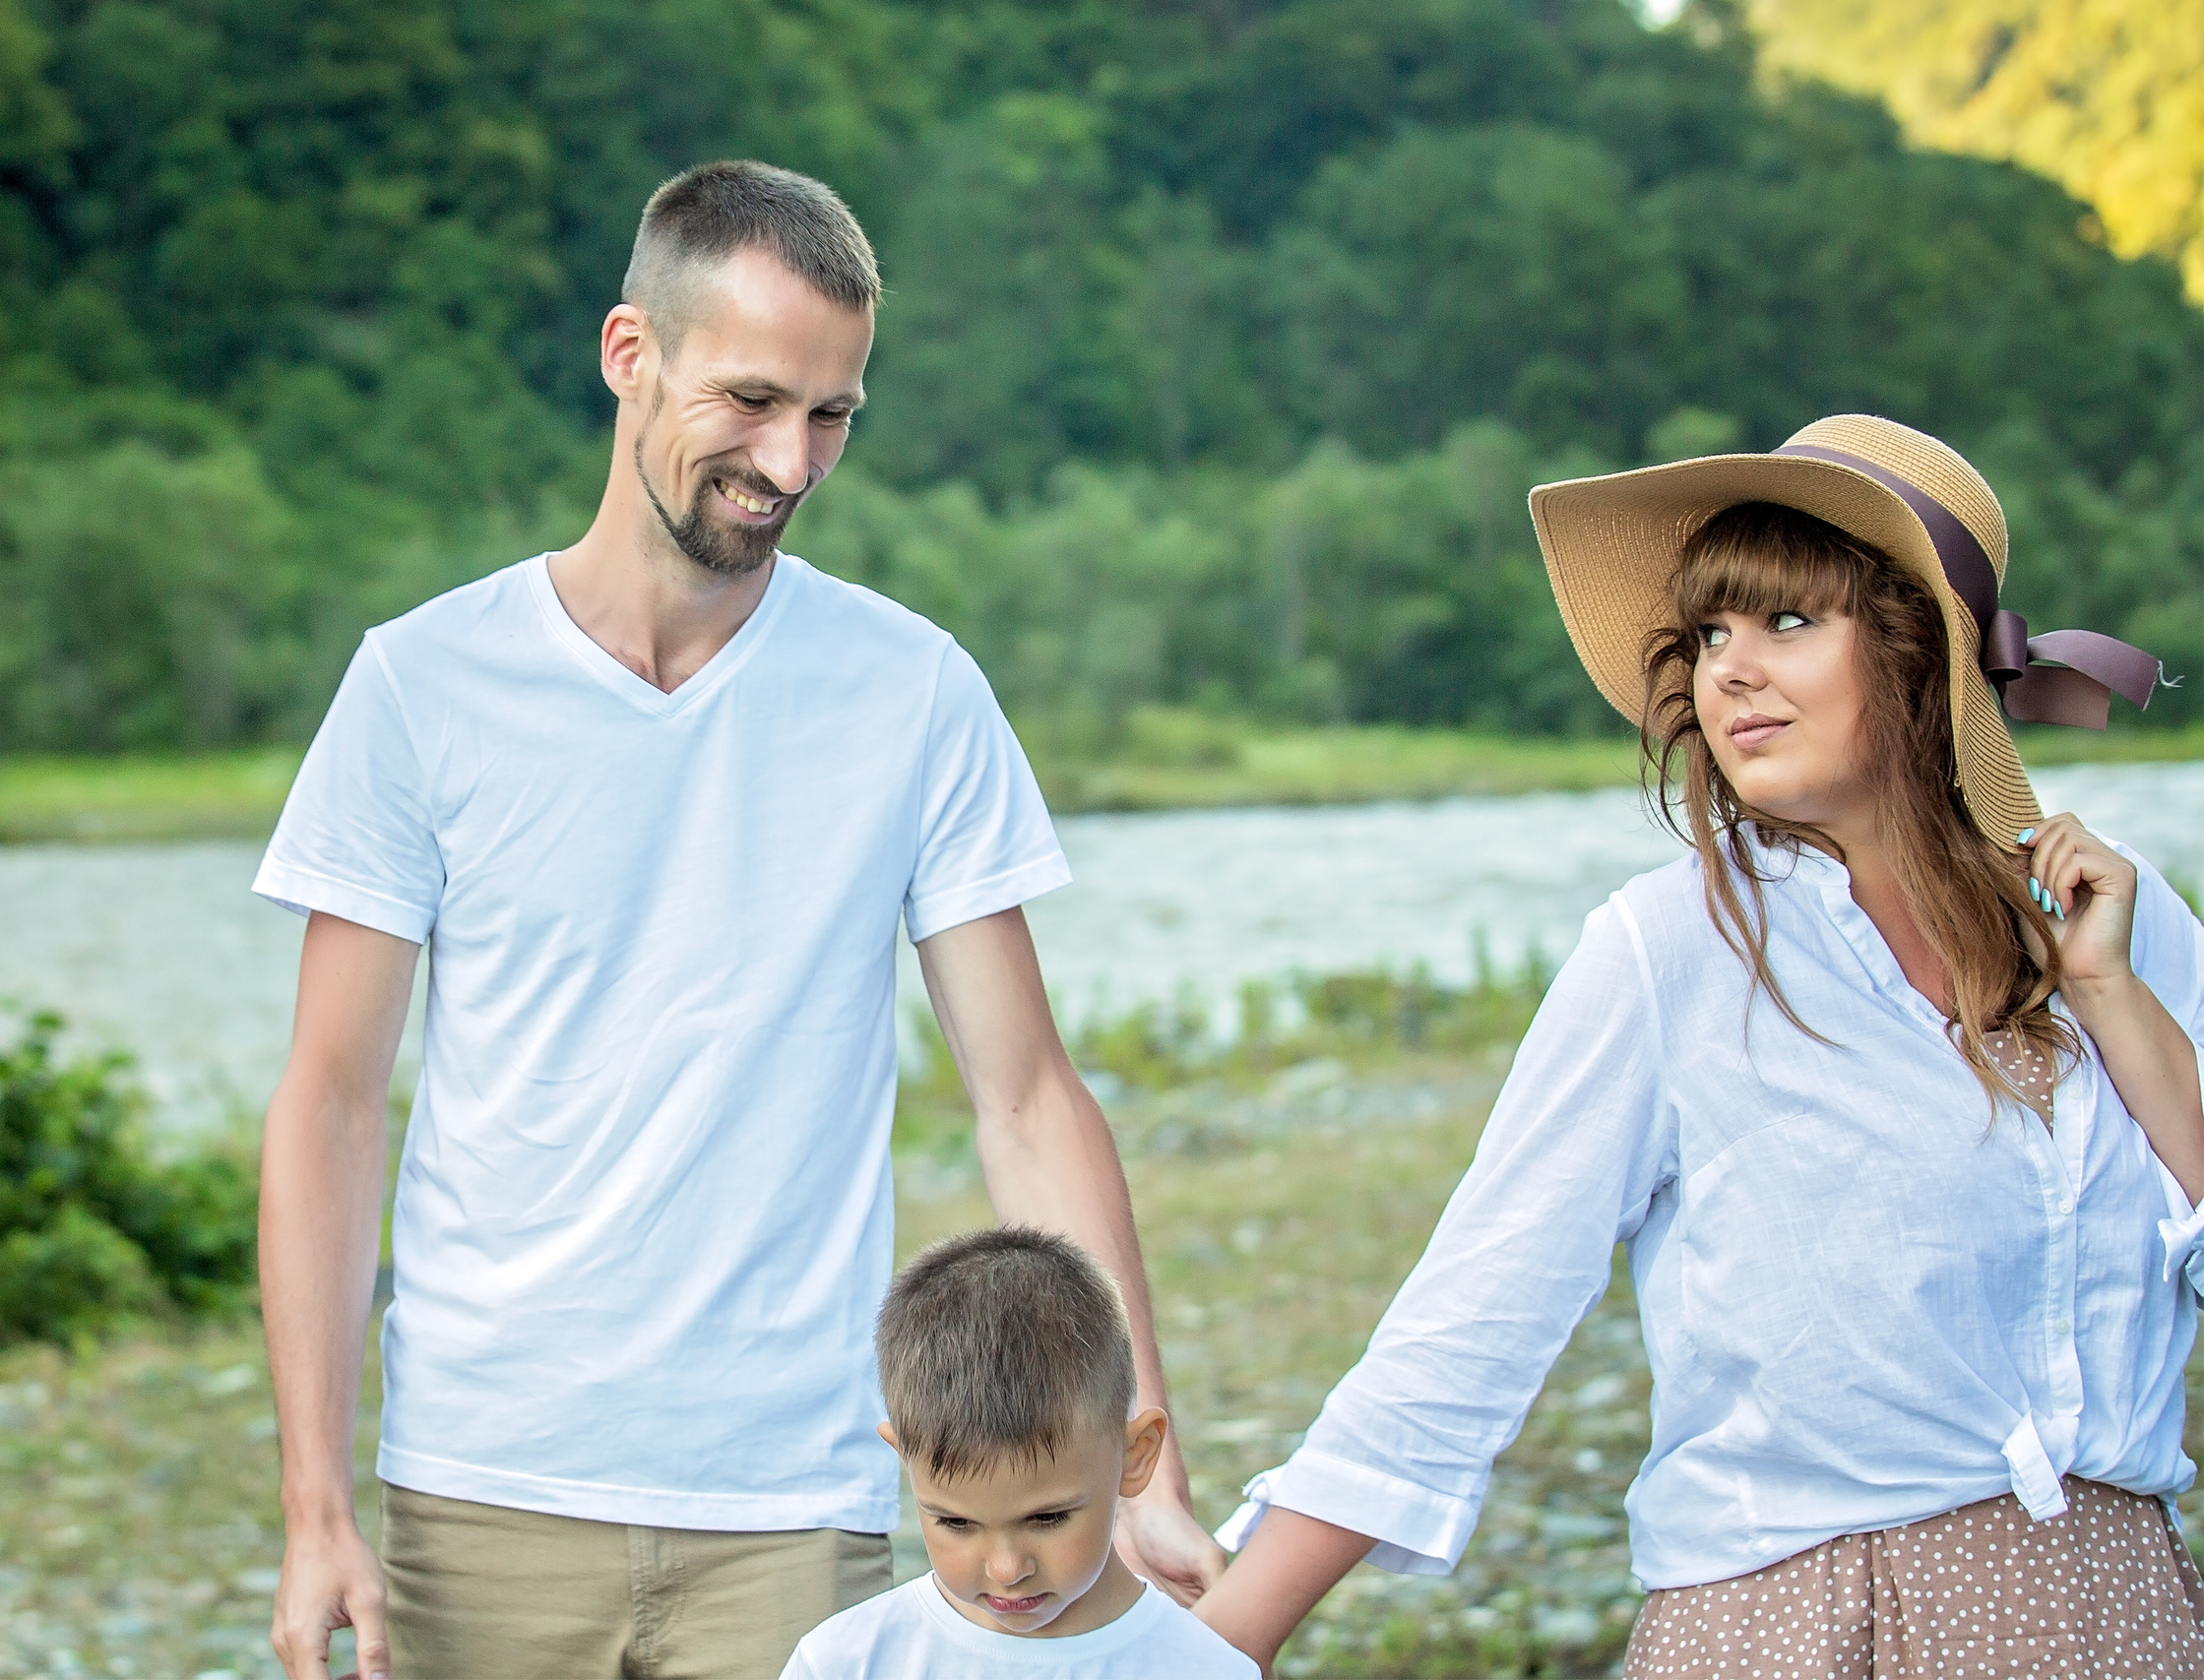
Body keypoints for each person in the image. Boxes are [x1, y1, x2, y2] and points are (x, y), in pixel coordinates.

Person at [252, 159, 1223, 1680]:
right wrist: (315, 1500)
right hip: (485, 1484)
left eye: (832, 414)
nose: (791, 459)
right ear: (629, 354)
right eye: (755, 400)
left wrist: (1141, 1471)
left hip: (796, 1496)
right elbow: (326, 1102)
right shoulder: (417, 687)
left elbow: (1027, 1095)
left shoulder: (914, 693)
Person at [1194, 414, 2201, 1678]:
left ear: (1918, 652)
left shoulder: (2116, 916)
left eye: (1788, 623)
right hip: (1796, 1627)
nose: (1729, 672)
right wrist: (1215, 1648)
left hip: (2123, 1616)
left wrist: (2109, 998)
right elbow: (1469, 1325)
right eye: (1711, 633)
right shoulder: (1664, 950)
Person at [783, 1227, 1258, 1678]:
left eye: (1047, 1518)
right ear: (904, 1456)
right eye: (956, 1523)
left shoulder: (1207, 1669)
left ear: (1135, 1454)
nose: (1007, 1569)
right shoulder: (847, 1662)